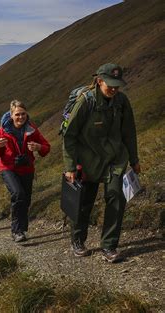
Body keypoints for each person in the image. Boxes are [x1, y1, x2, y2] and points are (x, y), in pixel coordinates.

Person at [63, 63, 140, 263]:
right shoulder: (86, 102)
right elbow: (69, 136)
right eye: (110, 85)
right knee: (84, 203)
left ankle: (109, 245)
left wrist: (134, 160)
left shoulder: (121, 102)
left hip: (115, 160)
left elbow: (129, 133)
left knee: (117, 197)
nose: (114, 89)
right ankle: (78, 240)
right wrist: (70, 167)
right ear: (99, 81)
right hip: (88, 161)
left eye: (117, 85)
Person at [0, 100, 50, 242]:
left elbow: (46, 147)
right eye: (17, 114)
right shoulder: (3, 130)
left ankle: (21, 229)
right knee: (18, 193)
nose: (21, 117)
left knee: (25, 200)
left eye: (23, 114)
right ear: (11, 115)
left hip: (27, 168)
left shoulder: (32, 129)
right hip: (8, 168)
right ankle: (16, 231)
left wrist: (38, 147)